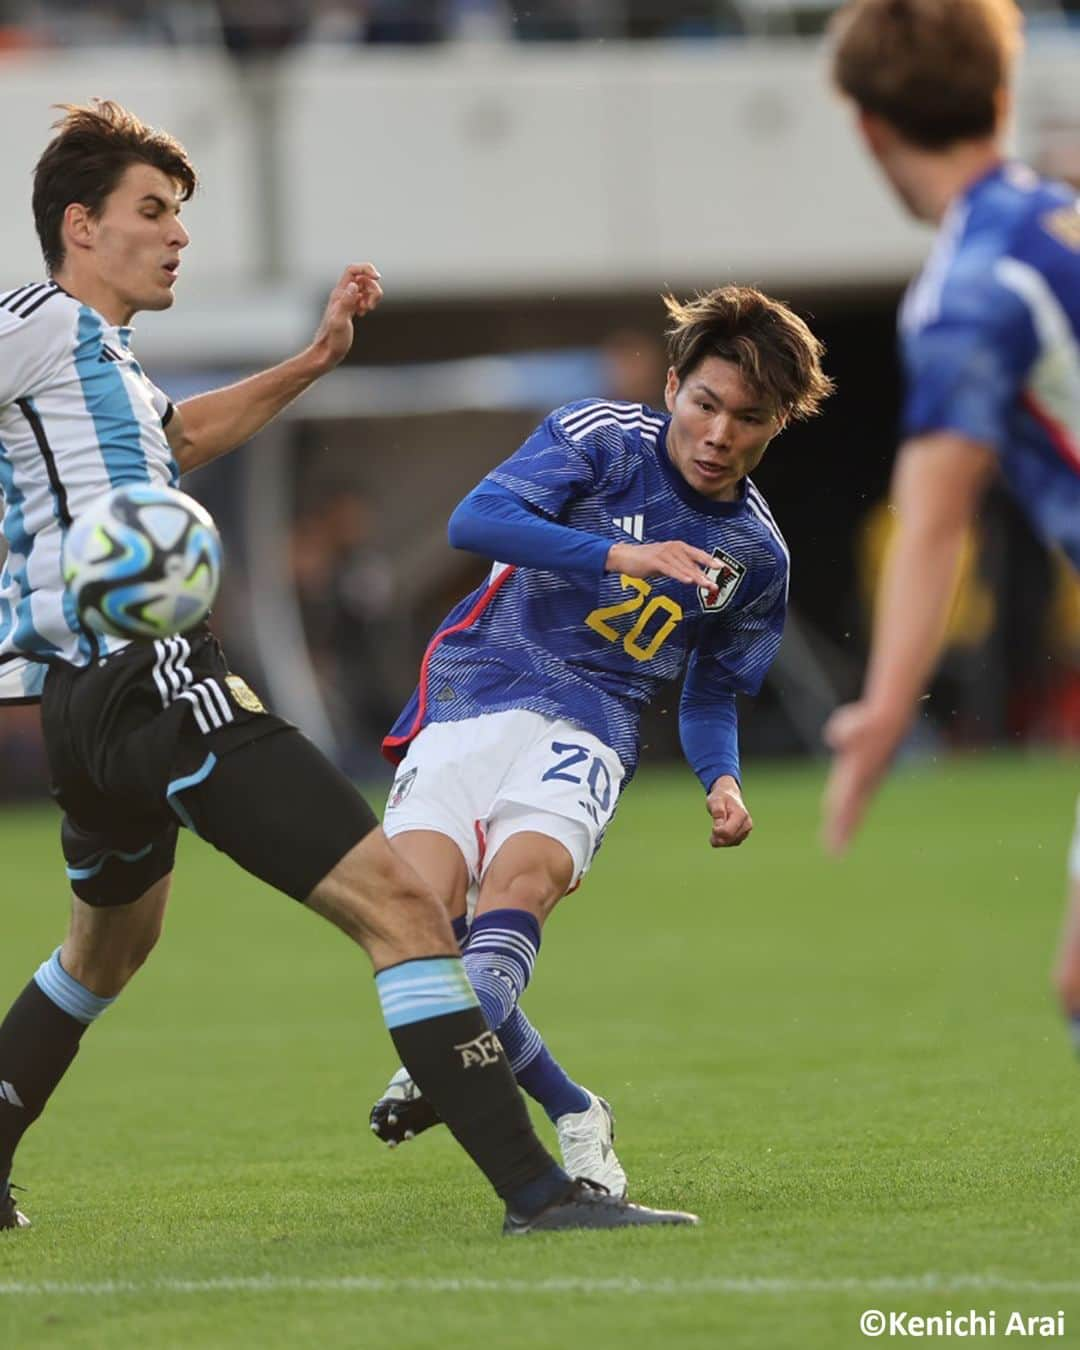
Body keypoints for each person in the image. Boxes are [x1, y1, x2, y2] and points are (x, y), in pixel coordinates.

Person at [0, 99, 698, 1236]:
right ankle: (540, 1193)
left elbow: (180, 439)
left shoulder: (107, 368)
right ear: (80, 226)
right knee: (406, 908)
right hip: (149, 671)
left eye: (181, 214)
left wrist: (317, 359)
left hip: (84, 702)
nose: (178, 235)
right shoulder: (33, 319)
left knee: (107, 947)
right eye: (153, 212)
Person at [369, 285, 833, 1189]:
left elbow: (708, 692)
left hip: (591, 728)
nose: (718, 434)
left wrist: (722, 780)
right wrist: (627, 554)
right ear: (672, 388)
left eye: (749, 418)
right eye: (705, 404)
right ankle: (575, 1107)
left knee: (519, 891)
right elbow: (476, 521)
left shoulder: (758, 555)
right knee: (417, 933)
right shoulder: (601, 438)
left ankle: (441, 1057)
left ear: (776, 425)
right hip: (473, 695)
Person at [819, 2, 1080, 1042]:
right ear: (1001, 97)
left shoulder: (967, 293)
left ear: (868, 128)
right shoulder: (1058, 220)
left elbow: (934, 519)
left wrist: (884, 713)